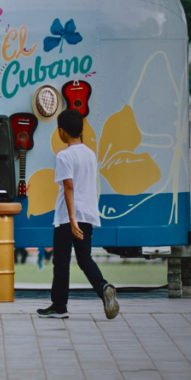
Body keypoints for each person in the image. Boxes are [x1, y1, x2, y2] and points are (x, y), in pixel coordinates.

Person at [37, 109, 119, 320]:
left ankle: (59, 306)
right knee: (84, 259)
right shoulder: (90, 154)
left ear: (62, 132)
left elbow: (69, 187)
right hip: (88, 214)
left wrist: (72, 219)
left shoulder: (64, 156)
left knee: (62, 261)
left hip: (68, 216)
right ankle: (103, 287)